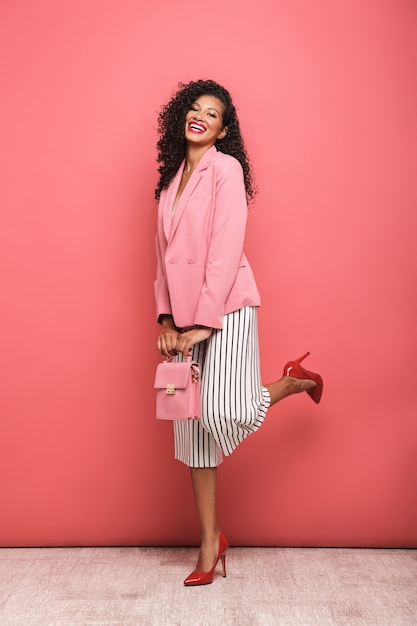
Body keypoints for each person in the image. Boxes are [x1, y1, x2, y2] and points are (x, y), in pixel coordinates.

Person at [154, 79, 323, 586]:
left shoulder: (224, 169)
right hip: (182, 318)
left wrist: (205, 320)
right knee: (192, 432)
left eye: (212, 113)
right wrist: (166, 319)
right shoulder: (169, 181)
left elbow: (227, 246)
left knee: (226, 409)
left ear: (223, 130)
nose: (200, 115)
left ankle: (292, 381)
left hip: (225, 309)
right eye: (194, 108)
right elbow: (161, 260)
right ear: (182, 117)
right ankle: (211, 544)